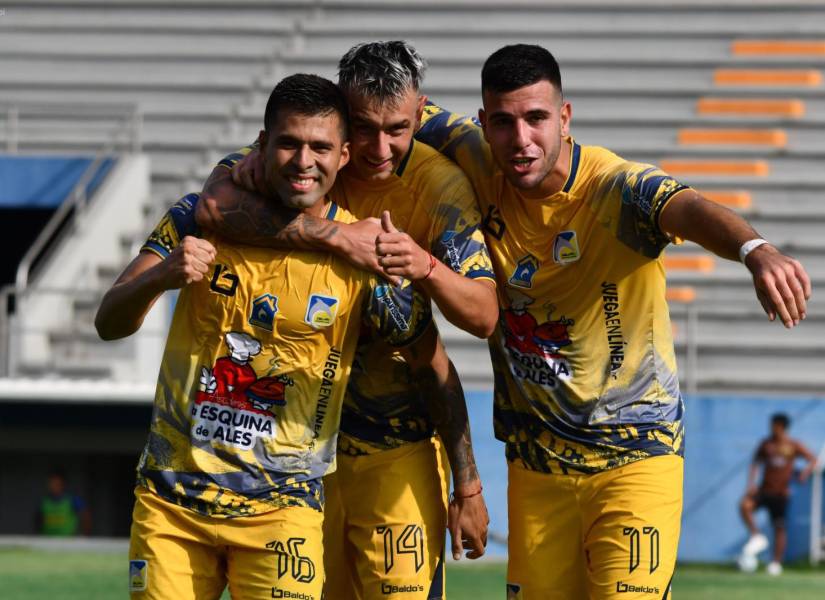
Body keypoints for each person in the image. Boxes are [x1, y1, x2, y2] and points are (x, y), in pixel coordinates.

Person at [413, 44, 812, 599]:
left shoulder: (614, 188)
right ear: (483, 123)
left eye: (537, 118)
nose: (521, 139)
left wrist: (754, 248)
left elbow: (688, 207)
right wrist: (254, 156)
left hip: (634, 457)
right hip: (537, 468)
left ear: (565, 117)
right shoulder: (473, 155)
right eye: (503, 122)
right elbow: (390, 104)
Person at [95, 73, 433, 600]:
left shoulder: (366, 253)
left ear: (344, 155)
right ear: (263, 144)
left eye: (320, 147)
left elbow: (425, 357)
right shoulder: (196, 218)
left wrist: (466, 480)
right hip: (172, 501)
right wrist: (163, 277)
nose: (304, 161)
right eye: (289, 143)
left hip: (284, 511)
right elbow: (108, 320)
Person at [196, 41, 495, 599]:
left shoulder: (440, 186)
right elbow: (211, 205)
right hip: (298, 453)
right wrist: (336, 236)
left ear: (420, 113)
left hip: (395, 444)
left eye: (398, 128)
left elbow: (481, 317)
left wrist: (424, 264)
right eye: (363, 128)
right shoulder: (306, 161)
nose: (381, 147)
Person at [739, 413, 817, 575]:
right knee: (745, 506)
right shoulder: (766, 444)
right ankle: (756, 536)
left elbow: (813, 459)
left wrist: (804, 473)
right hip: (764, 490)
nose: (772, 428)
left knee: (779, 528)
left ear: (782, 427)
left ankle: (775, 563)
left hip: (781, 494)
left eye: (774, 425)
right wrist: (751, 484)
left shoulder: (793, 445)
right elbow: (755, 462)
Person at [36, 469, 91, 536]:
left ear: (62, 484)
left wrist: (85, 536)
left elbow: (85, 516)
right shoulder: (44, 501)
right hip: (48, 541)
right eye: (51, 483)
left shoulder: (72, 499)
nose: (54, 486)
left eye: (57, 483)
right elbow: (37, 521)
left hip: (68, 542)